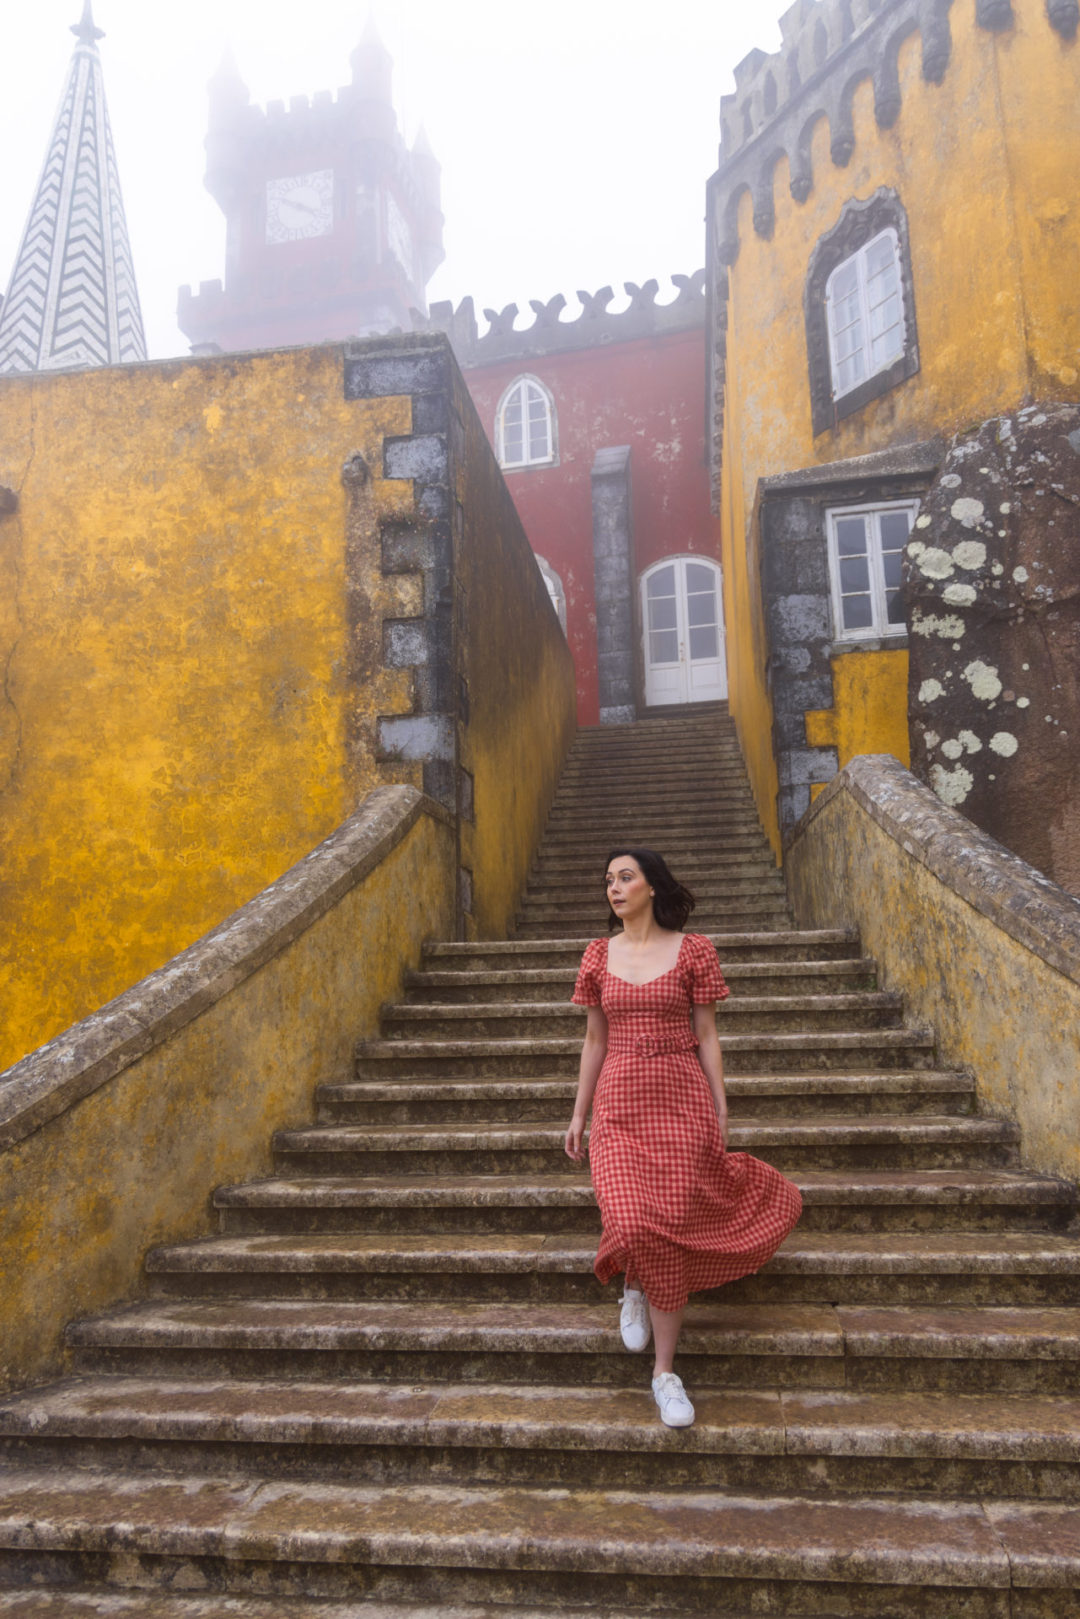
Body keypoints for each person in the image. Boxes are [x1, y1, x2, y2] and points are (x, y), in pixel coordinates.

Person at [564, 848, 803, 1428]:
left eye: (625, 877)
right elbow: (595, 1040)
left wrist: (720, 1104)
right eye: (608, 880)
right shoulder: (597, 954)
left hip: (681, 1099)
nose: (614, 888)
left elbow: (707, 1033)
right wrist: (578, 1115)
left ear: (652, 886)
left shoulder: (694, 950)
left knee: (666, 1225)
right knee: (629, 1219)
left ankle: (664, 1373)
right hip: (618, 1104)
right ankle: (633, 1285)